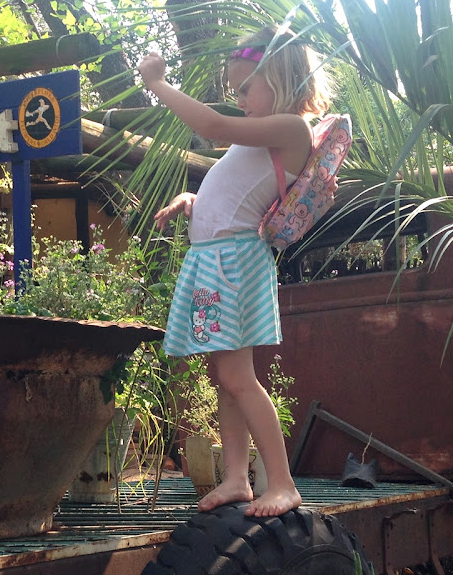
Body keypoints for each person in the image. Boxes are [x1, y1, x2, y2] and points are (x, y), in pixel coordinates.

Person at [138, 26, 332, 518]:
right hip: (214, 262)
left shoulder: (291, 128)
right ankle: (235, 478)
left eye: (246, 89)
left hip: (233, 264)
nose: (239, 101)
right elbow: (239, 195)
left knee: (237, 374)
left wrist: (158, 84)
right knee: (225, 375)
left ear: (281, 78)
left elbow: (212, 125)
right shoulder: (264, 132)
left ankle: (282, 482)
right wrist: (194, 201)